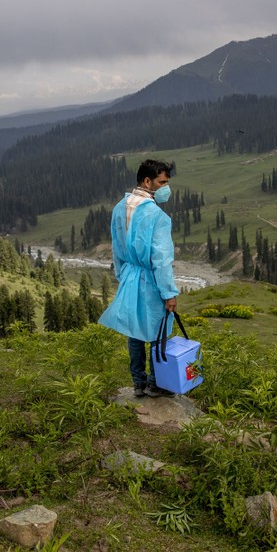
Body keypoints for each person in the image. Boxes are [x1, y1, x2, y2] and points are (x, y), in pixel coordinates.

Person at [99, 159, 179, 397]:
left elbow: (116, 247)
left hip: (130, 276)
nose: (166, 187)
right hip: (151, 279)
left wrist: (122, 276)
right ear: (147, 181)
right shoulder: (157, 216)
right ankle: (156, 383)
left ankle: (138, 383)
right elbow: (161, 259)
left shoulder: (119, 208)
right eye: (162, 182)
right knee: (158, 330)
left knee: (134, 330)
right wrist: (169, 293)